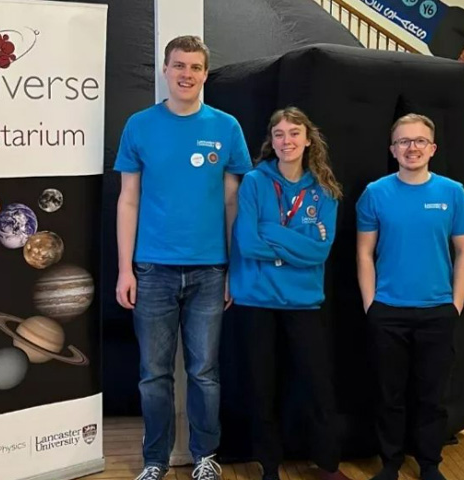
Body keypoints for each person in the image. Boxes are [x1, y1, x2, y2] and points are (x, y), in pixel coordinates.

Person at [113, 35, 253, 480]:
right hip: (152, 269)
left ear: (205, 74)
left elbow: (234, 204)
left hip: (211, 271)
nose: (186, 74)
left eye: (194, 67)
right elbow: (128, 201)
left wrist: (235, 267)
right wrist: (124, 269)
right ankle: (154, 460)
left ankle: (204, 457)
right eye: (178, 66)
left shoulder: (226, 127)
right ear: (165, 70)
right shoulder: (139, 125)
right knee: (153, 374)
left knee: (204, 372)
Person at [228, 107, 352, 480]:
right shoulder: (254, 181)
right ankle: (269, 467)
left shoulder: (324, 189)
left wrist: (272, 231)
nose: (287, 141)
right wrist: (295, 244)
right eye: (279, 134)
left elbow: (320, 251)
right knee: (263, 386)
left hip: (303, 301)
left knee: (317, 385)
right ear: (272, 141)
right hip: (255, 299)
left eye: (294, 133)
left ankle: (328, 465)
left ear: (308, 139)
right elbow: (248, 243)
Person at [355, 114, 464, 480]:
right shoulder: (375, 193)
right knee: (389, 395)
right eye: (404, 141)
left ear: (433, 148)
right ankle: (390, 463)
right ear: (393, 150)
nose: (412, 148)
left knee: (431, 396)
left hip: (437, 312)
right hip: (388, 311)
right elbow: (364, 253)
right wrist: (371, 305)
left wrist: (454, 305)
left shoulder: (452, 192)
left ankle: (429, 464)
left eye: (420, 141)